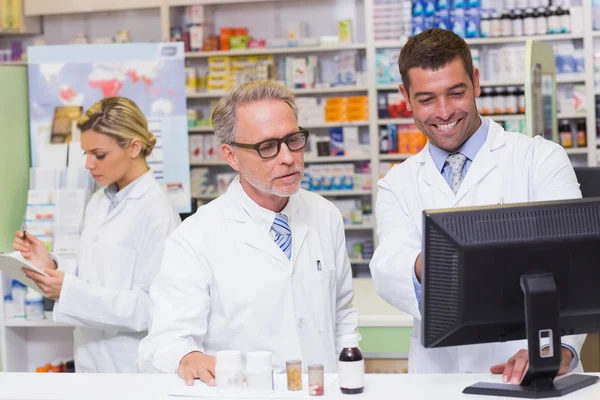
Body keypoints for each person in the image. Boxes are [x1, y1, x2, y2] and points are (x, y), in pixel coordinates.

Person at [369, 28, 586, 383]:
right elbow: (391, 266)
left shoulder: (539, 159)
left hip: (525, 372)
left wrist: (558, 349)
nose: (443, 112)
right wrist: (445, 259)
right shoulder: (398, 183)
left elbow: (576, 268)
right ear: (405, 97)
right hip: (436, 378)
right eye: (426, 99)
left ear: (476, 82)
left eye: (456, 93)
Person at [138, 81, 359, 384]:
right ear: (231, 156)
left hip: (323, 389)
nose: (288, 157)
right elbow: (167, 340)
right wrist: (186, 356)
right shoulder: (195, 237)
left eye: (293, 139)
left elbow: (343, 313)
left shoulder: (325, 215)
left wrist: (349, 376)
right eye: (267, 147)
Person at [13, 97, 181, 373]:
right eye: (86, 154)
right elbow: (93, 274)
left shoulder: (157, 213)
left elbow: (150, 307)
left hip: (129, 365)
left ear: (134, 147)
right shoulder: (99, 201)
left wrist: (69, 292)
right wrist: (50, 265)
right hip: (90, 358)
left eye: (99, 155)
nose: (89, 165)